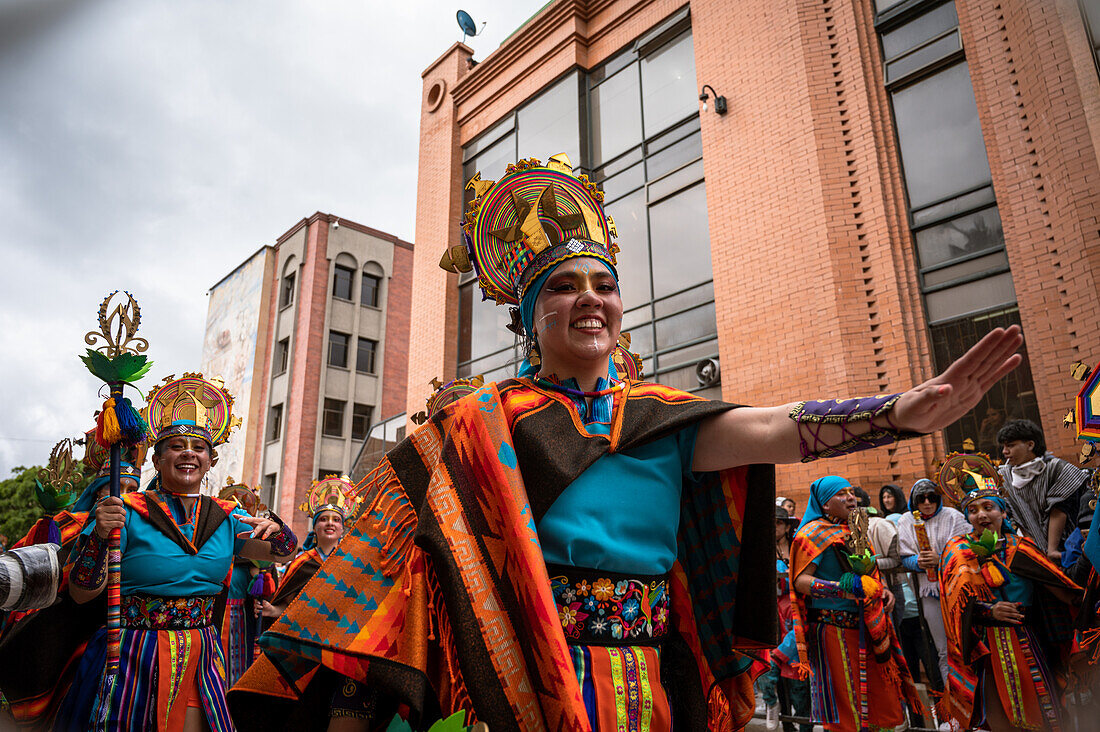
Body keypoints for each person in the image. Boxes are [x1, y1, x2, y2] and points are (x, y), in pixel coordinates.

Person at [229, 154, 1023, 731]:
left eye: (602, 284)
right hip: (529, 681)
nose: (589, 301)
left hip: (653, 676)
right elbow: (397, 558)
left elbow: (778, 426)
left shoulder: (660, 414)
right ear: (529, 317)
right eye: (564, 288)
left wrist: (899, 413)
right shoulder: (481, 422)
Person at [58, 374, 299, 732]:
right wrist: (99, 536)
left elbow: (281, 555)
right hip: (132, 653)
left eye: (198, 447)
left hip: (200, 651)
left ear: (210, 461)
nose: (188, 452)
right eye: (176, 446)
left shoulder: (227, 516)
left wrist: (280, 532)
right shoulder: (124, 510)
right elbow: (81, 593)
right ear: (157, 461)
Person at [0, 434, 144, 728]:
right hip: (60, 619)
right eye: (117, 488)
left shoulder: (141, 530)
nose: (124, 496)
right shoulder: (69, 522)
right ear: (96, 491)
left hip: (115, 629)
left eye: (133, 490)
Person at [937, 454, 1082, 731]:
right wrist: (987, 611)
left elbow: (1062, 592)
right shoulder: (957, 551)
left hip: (1028, 639)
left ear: (1003, 513)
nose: (981, 514)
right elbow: (953, 605)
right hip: (987, 647)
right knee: (999, 717)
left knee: (1043, 713)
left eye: (988, 507)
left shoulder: (1022, 547)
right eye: (973, 509)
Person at [789, 476, 924, 731]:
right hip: (832, 630)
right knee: (847, 704)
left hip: (867, 624)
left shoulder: (854, 529)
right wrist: (841, 589)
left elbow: (868, 573)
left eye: (851, 492)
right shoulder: (810, 534)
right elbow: (800, 581)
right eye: (841, 494)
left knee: (876, 699)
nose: (851, 497)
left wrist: (882, 591)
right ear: (824, 505)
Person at [897, 476, 971, 688]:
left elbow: (967, 549)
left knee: (966, 644)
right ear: (914, 501)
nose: (927, 503)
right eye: (921, 499)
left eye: (932, 498)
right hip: (929, 593)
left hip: (957, 588)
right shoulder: (906, 521)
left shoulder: (953, 517)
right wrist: (919, 562)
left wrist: (943, 559)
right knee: (943, 649)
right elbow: (904, 557)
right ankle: (954, 704)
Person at [261, 475, 358, 627]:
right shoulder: (301, 563)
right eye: (323, 519)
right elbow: (287, 609)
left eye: (336, 520)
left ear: (343, 529)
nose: (330, 523)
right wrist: (272, 610)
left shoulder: (352, 563)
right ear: (314, 527)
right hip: (304, 637)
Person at [997, 419, 1087, 561]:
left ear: (1030, 445)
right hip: (1035, 553)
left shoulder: (1057, 468)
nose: (1005, 451)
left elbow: (1059, 510)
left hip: (1068, 550)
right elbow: (1015, 514)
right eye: (1003, 447)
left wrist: (1052, 550)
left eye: (1011, 446)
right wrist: (1034, 550)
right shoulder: (1004, 477)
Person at [219, 480, 277, 688]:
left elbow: (267, 586)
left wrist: (261, 573)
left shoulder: (253, 555)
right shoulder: (214, 544)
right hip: (213, 617)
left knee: (239, 668)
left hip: (241, 619)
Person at [758, 506, 811, 732]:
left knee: (799, 683)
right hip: (772, 617)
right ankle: (776, 711)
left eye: (779, 523)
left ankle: (805, 726)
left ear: (788, 526)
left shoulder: (797, 550)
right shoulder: (762, 551)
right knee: (771, 675)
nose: (774, 527)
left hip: (796, 616)